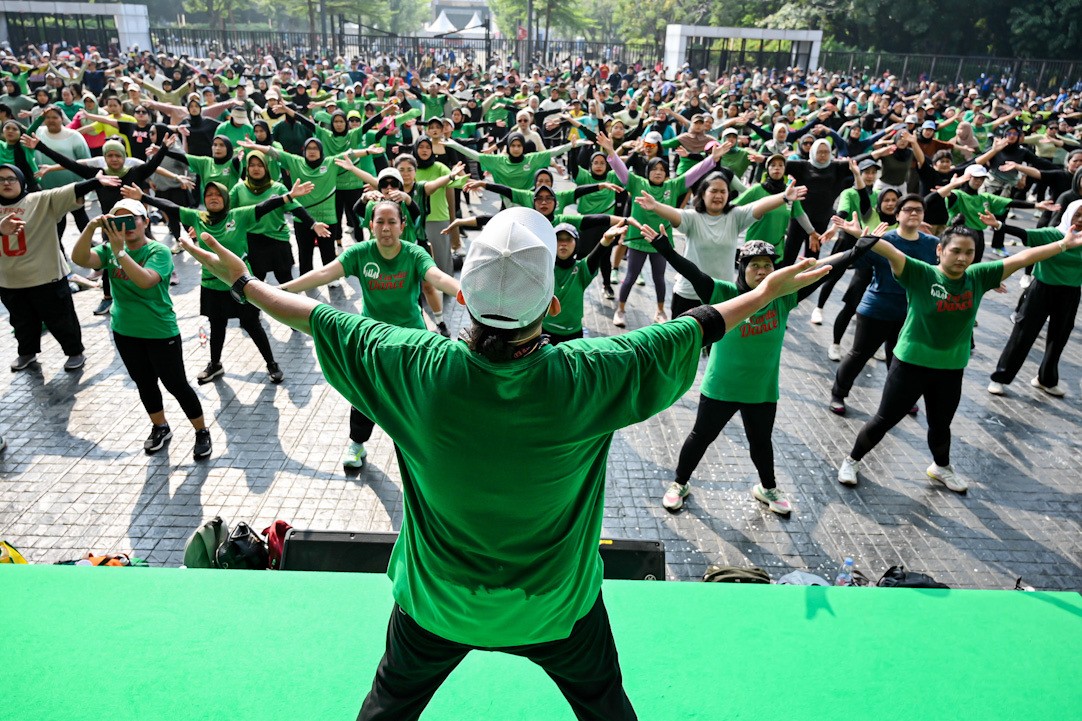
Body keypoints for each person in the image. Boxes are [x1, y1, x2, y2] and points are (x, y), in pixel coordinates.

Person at [180, 205, 828, 721]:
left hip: (435, 607)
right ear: (552, 306)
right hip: (556, 611)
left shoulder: (407, 364)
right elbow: (695, 327)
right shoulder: (592, 374)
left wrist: (242, 279)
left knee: (387, 706)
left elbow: (314, 314)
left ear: (463, 296)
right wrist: (768, 289)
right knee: (605, 705)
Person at [836, 224, 1082, 492]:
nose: (963, 258)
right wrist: (866, 237)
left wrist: (1063, 245)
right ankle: (852, 460)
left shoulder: (978, 276)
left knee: (941, 425)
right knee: (884, 420)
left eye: (969, 252)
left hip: (951, 369)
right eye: (956, 251)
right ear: (940, 250)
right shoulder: (921, 273)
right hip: (910, 364)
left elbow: (1022, 257)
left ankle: (940, 467)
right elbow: (893, 253)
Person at [650, 227, 874, 514]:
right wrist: (664, 247)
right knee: (701, 437)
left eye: (767, 266)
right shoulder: (723, 293)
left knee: (761, 443)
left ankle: (767, 488)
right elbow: (693, 273)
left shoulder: (783, 298)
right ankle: (679, 483)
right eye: (754, 265)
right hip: (721, 387)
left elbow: (824, 272)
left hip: (762, 390)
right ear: (741, 269)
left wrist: (856, 250)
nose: (760, 270)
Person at [278, 199, 461, 467]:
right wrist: (282, 290)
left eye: (391, 222)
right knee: (365, 395)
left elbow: (438, 278)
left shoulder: (414, 253)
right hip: (372, 340)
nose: (386, 228)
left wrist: (466, 292)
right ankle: (357, 445)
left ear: (402, 225)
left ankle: (422, 446)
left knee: (416, 395)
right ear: (370, 225)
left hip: (411, 341)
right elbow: (325, 273)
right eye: (380, 222)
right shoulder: (360, 253)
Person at [124, 178, 318, 384]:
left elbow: (263, 206)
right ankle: (215, 365)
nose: (213, 198)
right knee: (217, 325)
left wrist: (289, 196)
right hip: (212, 283)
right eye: (209, 195)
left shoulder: (238, 215)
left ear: (226, 198)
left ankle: (272, 364)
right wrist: (143, 197)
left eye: (217, 195)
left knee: (252, 323)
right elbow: (172, 207)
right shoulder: (197, 217)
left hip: (241, 283)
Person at [67, 199, 212, 459]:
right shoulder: (109, 249)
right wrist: (90, 227)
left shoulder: (159, 251)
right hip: (124, 331)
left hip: (159, 331)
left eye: (132, 218)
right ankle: (160, 426)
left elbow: (146, 281)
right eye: (118, 220)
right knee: (145, 384)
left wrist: (120, 253)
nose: (126, 225)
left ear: (145, 221)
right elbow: (80, 258)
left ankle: (201, 431)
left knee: (176, 384)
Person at [0, 164, 117, 373]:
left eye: (11, 178)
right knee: (21, 322)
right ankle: (26, 352)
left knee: (62, 320)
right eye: (1, 180)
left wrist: (95, 182)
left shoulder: (39, 200)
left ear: (20, 180)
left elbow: (69, 191)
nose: (6, 183)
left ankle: (74, 352)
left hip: (46, 277)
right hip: (9, 281)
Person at [828, 194, 936, 415]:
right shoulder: (884, 240)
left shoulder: (933, 244)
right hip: (877, 308)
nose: (914, 213)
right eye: (908, 209)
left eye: (919, 209)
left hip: (910, 312)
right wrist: (856, 238)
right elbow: (855, 261)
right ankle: (838, 394)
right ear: (897, 215)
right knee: (859, 354)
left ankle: (900, 400)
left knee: (901, 359)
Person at [987, 200, 1082, 397]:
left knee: (1059, 338)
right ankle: (1000, 378)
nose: (1080, 220)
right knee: (1023, 334)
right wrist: (998, 225)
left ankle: (1045, 380)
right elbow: (1025, 234)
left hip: (1070, 294)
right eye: (1077, 214)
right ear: (1068, 215)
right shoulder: (1053, 234)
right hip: (1041, 290)